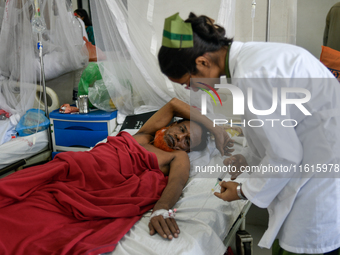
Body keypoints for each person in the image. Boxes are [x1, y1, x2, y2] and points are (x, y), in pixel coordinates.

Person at [158, 12, 340, 255]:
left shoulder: (251, 75)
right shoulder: (251, 59)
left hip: (318, 184)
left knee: (303, 245)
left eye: (186, 82)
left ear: (202, 62)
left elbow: (286, 154)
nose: (190, 89)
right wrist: (250, 159)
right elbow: (278, 132)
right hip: (311, 165)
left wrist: (244, 191)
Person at [0, 98, 233, 254]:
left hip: (101, 188)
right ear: (171, 125)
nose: (180, 139)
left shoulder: (176, 158)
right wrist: (214, 128)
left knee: (30, 227)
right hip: (82, 167)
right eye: (181, 130)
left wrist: (161, 209)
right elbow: (173, 104)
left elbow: (177, 183)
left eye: (187, 142)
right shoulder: (144, 135)